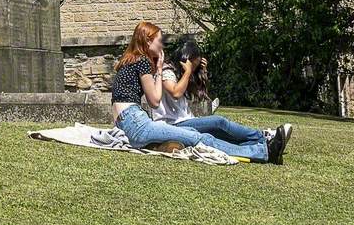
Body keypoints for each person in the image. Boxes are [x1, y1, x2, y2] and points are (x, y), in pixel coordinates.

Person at [110, 21, 287, 164]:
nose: (162, 46)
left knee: (206, 134)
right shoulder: (142, 62)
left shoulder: (127, 62)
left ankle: (261, 145)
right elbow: (155, 101)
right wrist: (157, 68)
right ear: (148, 41)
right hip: (137, 122)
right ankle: (264, 151)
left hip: (127, 122)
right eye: (159, 41)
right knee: (200, 138)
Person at [154, 36, 294, 157]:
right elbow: (175, 92)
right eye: (194, 65)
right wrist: (188, 72)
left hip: (185, 120)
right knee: (219, 122)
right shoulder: (167, 70)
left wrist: (201, 72)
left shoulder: (181, 73)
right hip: (173, 124)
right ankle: (263, 137)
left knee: (221, 135)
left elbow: (198, 94)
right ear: (186, 59)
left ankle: (265, 145)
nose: (193, 70)